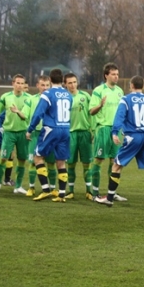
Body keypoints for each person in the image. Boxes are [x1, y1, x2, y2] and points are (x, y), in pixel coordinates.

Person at [94, 76, 144, 210]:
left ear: (131, 85)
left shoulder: (126, 99)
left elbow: (119, 116)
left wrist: (115, 132)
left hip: (133, 136)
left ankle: (109, 199)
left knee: (116, 166)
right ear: (142, 86)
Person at [25, 68, 72, 202]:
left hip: (51, 129)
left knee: (38, 158)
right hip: (65, 129)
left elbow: (38, 114)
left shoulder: (47, 94)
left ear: (50, 80)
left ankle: (46, 190)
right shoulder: (68, 95)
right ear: (62, 80)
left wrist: (30, 129)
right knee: (61, 162)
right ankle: (62, 195)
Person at [88, 63, 126, 201]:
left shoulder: (120, 91)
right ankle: (95, 193)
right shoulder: (98, 91)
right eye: (113, 74)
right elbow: (91, 111)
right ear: (106, 75)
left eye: (117, 74)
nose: (116, 76)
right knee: (98, 160)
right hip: (103, 129)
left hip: (117, 130)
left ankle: (112, 192)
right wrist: (100, 105)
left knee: (115, 162)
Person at [0, 74, 30, 194]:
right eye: (17, 83)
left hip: (23, 133)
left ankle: (18, 186)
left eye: (22, 83)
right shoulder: (5, 97)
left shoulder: (29, 98)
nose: (20, 85)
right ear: (13, 83)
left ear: (24, 85)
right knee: (3, 158)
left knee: (22, 159)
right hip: (8, 132)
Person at [24, 75, 57, 196]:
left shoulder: (54, 99)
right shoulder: (31, 100)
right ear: (37, 85)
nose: (45, 87)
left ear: (50, 85)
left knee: (51, 162)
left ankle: (53, 189)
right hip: (36, 134)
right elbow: (25, 115)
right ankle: (32, 187)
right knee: (33, 161)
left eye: (47, 85)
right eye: (42, 85)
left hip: (50, 134)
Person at [63, 73, 93, 199]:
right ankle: (70, 191)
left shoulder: (85, 96)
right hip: (70, 134)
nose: (72, 85)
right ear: (65, 84)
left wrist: (92, 130)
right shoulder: (63, 98)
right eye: (69, 83)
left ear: (77, 82)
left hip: (85, 133)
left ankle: (89, 191)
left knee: (87, 164)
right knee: (71, 164)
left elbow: (92, 113)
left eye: (74, 82)